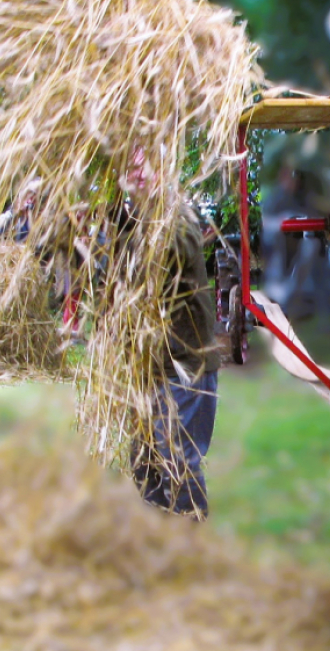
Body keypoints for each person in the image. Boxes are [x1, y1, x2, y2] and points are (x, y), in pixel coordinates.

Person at [115, 149, 220, 518]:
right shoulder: (136, 221)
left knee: (178, 460)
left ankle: (187, 544)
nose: (137, 172)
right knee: (145, 461)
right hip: (151, 364)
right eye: (130, 166)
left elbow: (161, 264)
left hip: (186, 363)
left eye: (146, 164)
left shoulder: (177, 216)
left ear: (164, 169)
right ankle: (156, 539)